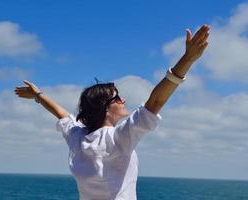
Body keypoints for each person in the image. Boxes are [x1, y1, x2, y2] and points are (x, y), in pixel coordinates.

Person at [14, 24, 210, 200]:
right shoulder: (120, 138)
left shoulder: (78, 138)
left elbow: (61, 114)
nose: (123, 100)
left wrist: (38, 95)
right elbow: (156, 100)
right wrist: (188, 59)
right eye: (117, 98)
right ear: (105, 108)